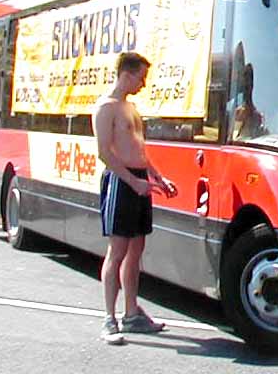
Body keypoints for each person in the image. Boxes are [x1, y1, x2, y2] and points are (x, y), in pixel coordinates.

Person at [92, 52, 178, 345]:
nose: (143, 83)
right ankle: (109, 318)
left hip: (139, 180)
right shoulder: (106, 108)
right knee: (117, 250)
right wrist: (131, 181)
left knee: (136, 249)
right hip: (121, 180)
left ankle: (132, 314)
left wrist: (158, 178)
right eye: (141, 77)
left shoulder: (131, 108)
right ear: (127, 74)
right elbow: (105, 152)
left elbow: (140, 150)